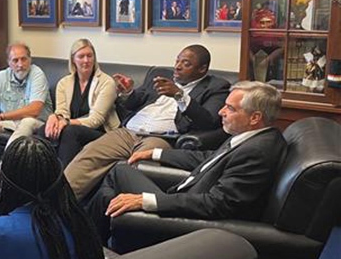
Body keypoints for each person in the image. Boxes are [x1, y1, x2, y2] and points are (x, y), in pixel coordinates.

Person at [85, 82, 287, 241]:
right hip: (185, 198)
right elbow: (209, 158)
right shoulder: (253, 136)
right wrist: (156, 153)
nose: (221, 112)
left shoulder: (257, 151)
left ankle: (83, 240)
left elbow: (217, 204)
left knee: (111, 189)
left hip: (187, 221)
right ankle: (87, 238)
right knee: (119, 172)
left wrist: (144, 200)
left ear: (255, 117)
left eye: (230, 108)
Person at [64, 45, 230, 199]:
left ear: (202, 69)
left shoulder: (216, 87)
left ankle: (133, 215)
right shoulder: (159, 76)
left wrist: (179, 95)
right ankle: (58, 204)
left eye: (185, 63)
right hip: (128, 132)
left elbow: (209, 121)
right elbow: (133, 103)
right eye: (177, 61)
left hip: (161, 138)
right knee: (90, 153)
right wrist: (128, 91)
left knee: (138, 167)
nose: (177, 66)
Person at [0, 42, 53, 179]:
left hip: (38, 123)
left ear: (30, 60)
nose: (20, 64)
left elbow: (35, 109)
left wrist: (0, 118)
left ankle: (2, 172)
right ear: (9, 62)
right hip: (11, 122)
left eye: (24, 59)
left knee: (27, 121)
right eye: (15, 60)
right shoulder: (2, 76)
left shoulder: (37, 74)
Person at [44, 39, 120, 165]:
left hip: (102, 132)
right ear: (73, 60)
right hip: (72, 129)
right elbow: (62, 112)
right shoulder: (64, 83)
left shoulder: (107, 82)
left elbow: (97, 119)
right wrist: (55, 118)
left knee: (69, 131)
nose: (86, 60)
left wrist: (66, 123)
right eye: (81, 56)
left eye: (90, 56)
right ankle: (41, 178)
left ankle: (65, 180)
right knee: (44, 130)